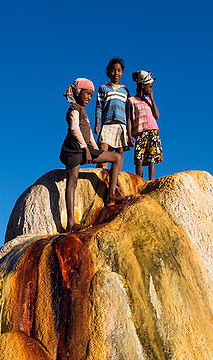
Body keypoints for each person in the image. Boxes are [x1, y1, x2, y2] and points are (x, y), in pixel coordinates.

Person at [60, 78, 123, 231]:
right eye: (87, 93)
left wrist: (96, 151)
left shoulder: (82, 110)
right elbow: (74, 129)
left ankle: (111, 194)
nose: (89, 97)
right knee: (72, 182)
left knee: (116, 157)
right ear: (78, 92)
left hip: (84, 148)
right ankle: (71, 223)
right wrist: (87, 150)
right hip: (74, 149)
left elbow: (88, 136)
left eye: (91, 95)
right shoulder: (74, 108)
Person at [94, 57, 131, 173]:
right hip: (107, 123)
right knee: (104, 148)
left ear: (122, 72)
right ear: (109, 72)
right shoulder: (103, 89)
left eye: (119, 70)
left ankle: (117, 175)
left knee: (119, 151)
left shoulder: (125, 90)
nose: (116, 73)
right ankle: (103, 171)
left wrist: (130, 131)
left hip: (121, 124)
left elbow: (129, 111)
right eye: (113, 70)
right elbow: (99, 106)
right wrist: (97, 122)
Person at [127, 70, 162, 181]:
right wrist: (129, 135)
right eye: (149, 87)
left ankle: (151, 180)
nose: (150, 90)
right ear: (142, 86)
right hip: (140, 132)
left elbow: (156, 116)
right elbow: (128, 119)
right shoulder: (131, 101)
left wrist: (152, 99)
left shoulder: (148, 100)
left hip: (152, 130)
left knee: (152, 158)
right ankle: (140, 180)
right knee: (139, 159)